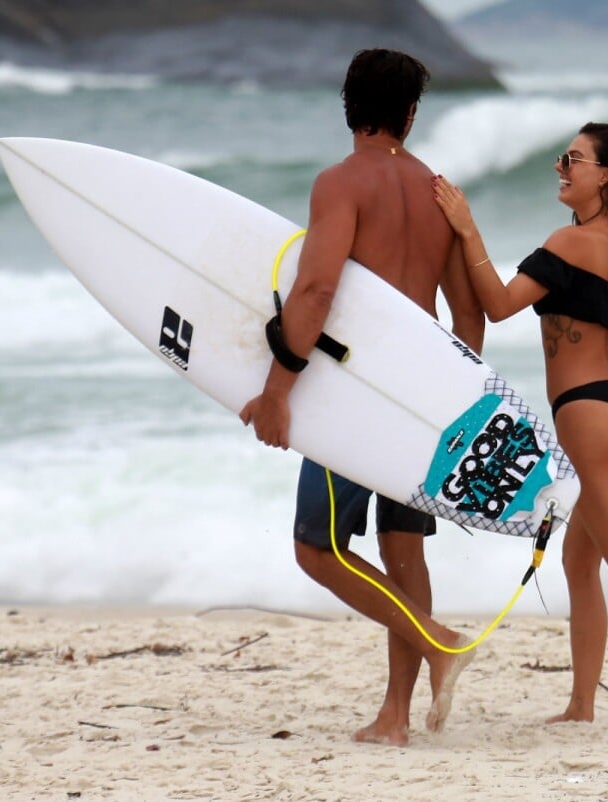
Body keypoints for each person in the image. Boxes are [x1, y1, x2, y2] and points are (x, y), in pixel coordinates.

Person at [431, 123, 608, 735]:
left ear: (606, 174)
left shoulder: (567, 244)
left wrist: (467, 230)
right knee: (580, 555)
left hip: (591, 415)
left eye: (573, 159)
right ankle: (582, 704)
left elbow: (499, 305)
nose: (561, 168)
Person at [239, 49, 485, 746]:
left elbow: (315, 292)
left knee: (317, 548)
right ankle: (396, 717)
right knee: (403, 551)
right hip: (422, 395)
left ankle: (440, 643)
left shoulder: (339, 184)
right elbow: (470, 320)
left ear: (348, 106)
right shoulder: (441, 193)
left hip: (355, 395)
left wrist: (277, 391)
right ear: (410, 113)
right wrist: (450, 398)